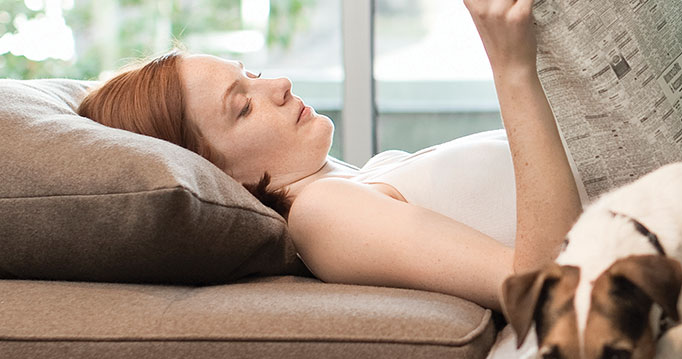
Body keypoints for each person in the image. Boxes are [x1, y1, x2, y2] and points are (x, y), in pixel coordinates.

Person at [77, 0, 572, 310]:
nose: (278, 84)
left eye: (251, 73)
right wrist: (510, 67)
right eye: (243, 106)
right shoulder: (322, 213)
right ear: (214, 171)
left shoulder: (366, 180)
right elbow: (540, 288)